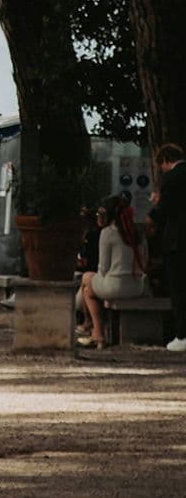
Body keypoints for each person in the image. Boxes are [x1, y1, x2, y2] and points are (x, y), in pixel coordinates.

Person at [77, 193, 147, 349]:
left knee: (87, 283)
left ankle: (96, 331)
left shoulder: (108, 233)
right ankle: (92, 330)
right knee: (88, 285)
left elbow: (103, 268)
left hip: (115, 286)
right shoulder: (136, 233)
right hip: (136, 286)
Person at [151, 143, 186, 353]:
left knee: (179, 288)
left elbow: (165, 209)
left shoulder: (171, 179)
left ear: (165, 160)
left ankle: (182, 334)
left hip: (177, 241)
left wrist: (156, 206)